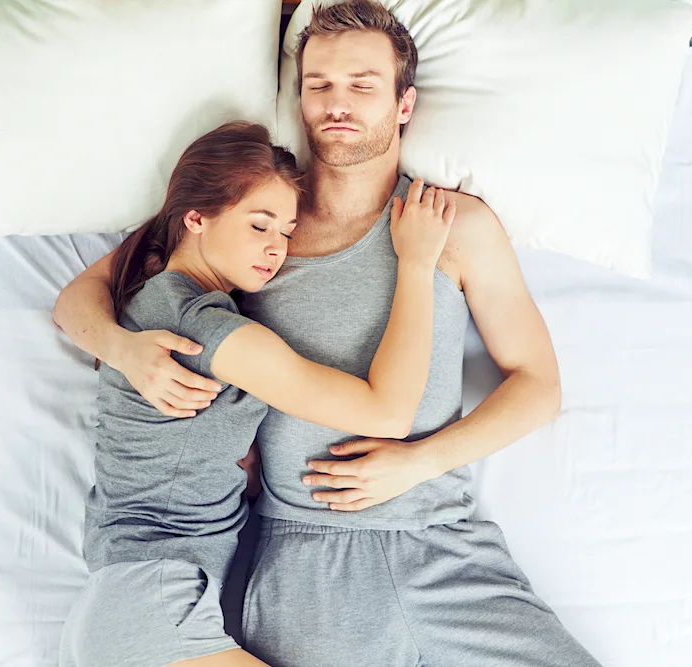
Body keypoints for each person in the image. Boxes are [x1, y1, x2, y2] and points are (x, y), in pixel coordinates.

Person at [54, 2, 603, 665]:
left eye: (362, 85)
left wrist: (419, 461)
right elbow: (85, 297)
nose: (336, 103)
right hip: (304, 553)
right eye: (318, 85)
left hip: (438, 535)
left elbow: (539, 387)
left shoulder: (451, 223)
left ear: (404, 104)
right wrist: (123, 349)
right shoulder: (250, 224)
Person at [56, 120, 455, 667]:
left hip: (144, 602)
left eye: (286, 232)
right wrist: (417, 265)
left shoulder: (156, 293)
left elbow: (76, 302)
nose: (277, 249)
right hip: (153, 605)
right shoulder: (205, 327)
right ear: (195, 218)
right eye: (259, 226)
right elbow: (387, 412)